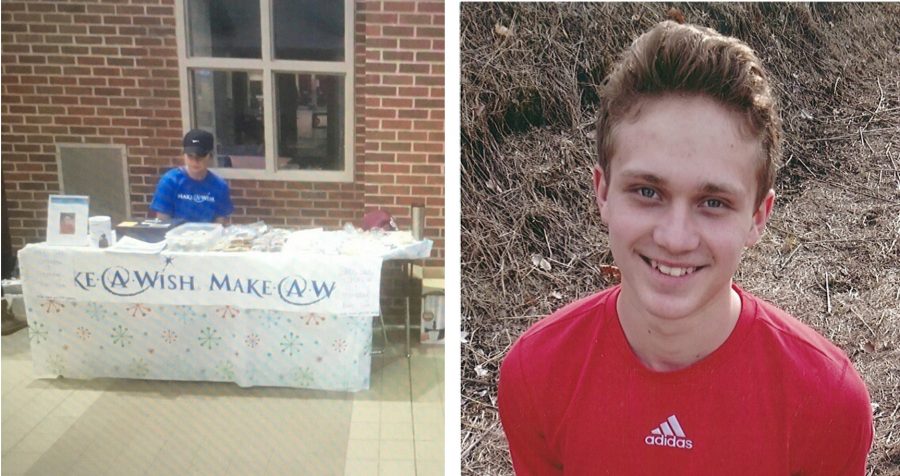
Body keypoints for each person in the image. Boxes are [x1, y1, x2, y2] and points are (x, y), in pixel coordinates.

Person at [498, 20, 873, 475]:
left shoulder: (827, 403)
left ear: (758, 216)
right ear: (602, 193)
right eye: (647, 192)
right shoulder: (535, 375)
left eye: (713, 202)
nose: (675, 238)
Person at [150, 129, 234, 224]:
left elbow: (220, 223)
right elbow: (162, 221)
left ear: (210, 156)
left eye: (200, 156)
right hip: (176, 235)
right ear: (184, 155)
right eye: (190, 156)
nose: (195, 161)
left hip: (208, 235)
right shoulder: (170, 181)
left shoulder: (220, 186)